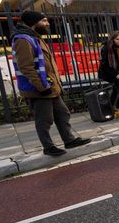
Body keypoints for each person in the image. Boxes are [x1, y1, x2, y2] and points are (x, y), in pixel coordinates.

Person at [11, 10, 91, 156]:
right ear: (34, 22)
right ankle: (48, 147)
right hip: (38, 89)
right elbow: (26, 68)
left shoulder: (35, 37)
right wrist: (42, 87)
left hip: (50, 86)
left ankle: (69, 140)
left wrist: (56, 84)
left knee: (63, 114)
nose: (47, 23)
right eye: (44, 21)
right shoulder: (23, 40)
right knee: (44, 119)